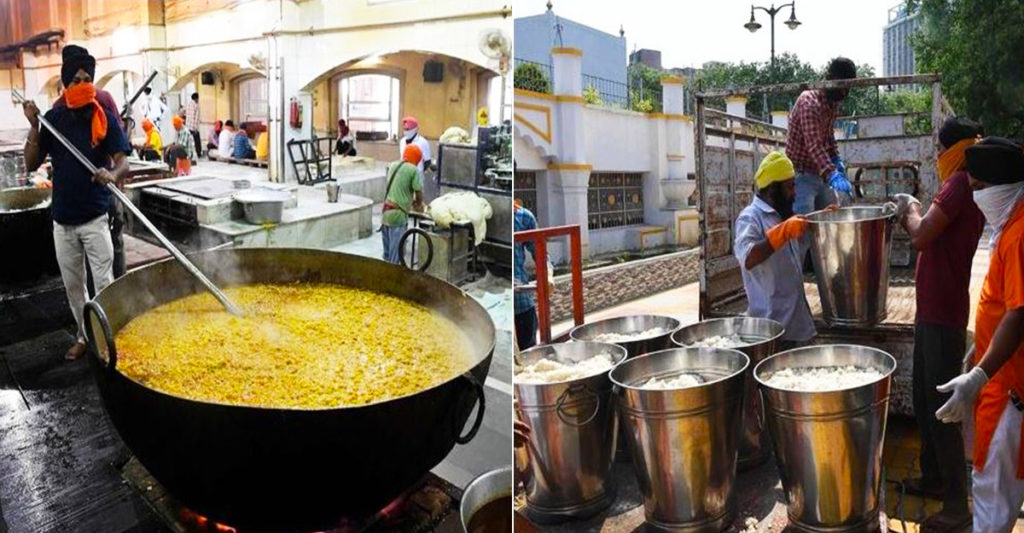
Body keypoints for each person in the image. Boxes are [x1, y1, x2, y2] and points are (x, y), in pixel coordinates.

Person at [892, 117, 985, 532]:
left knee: (943, 411)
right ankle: (932, 479)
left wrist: (908, 208)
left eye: (939, 148)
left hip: (943, 313)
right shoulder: (964, 183)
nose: (935, 156)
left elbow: (921, 235)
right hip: (934, 309)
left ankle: (956, 507)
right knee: (926, 400)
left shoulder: (960, 184)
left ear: (952, 149)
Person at [933, 137, 1024, 533]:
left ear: (1001, 188)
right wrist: (980, 349)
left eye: (977, 189)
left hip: (1007, 391)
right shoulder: (1011, 224)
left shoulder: (1019, 235)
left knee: (990, 490)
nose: (973, 197)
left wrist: (979, 375)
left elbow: (1020, 314)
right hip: (1004, 378)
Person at [20, 45, 131, 361]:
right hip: (63, 222)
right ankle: (85, 336)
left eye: (87, 79)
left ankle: (109, 338)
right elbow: (31, 164)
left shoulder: (104, 117)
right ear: (64, 85)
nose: (82, 85)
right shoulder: (53, 119)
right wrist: (33, 127)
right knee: (74, 287)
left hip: (95, 218)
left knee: (105, 282)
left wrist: (112, 172)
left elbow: (124, 161)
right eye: (75, 80)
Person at [734, 151, 830, 349]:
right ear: (772, 189)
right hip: (771, 332)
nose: (794, 192)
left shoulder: (782, 213)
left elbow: (803, 223)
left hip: (798, 326)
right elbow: (748, 257)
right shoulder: (750, 217)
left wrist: (825, 217)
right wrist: (782, 233)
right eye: (789, 187)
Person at [786, 57, 857, 214]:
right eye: (842, 86)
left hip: (820, 173)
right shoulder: (809, 103)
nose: (845, 92)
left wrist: (837, 161)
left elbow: (828, 137)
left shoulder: (832, 103)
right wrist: (832, 174)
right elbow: (814, 145)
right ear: (830, 78)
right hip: (801, 175)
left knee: (833, 218)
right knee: (803, 226)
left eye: (848, 88)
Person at [380, 144, 425, 264]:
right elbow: (418, 191)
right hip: (398, 216)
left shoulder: (393, 165)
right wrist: (419, 204)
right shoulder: (413, 170)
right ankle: (392, 281)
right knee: (396, 258)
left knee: (387, 256)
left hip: (386, 213)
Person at [513, 200, 539, 350]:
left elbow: (540, 254)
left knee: (528, 353)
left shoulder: (524, 218)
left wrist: (548, 274)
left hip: (522, 304)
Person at [185, 92, 201, 157]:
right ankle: (199, 153)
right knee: (197, 140)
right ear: (196, 98)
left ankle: (187, 153)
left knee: (187, 141)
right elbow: (196, 118)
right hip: (193, 126)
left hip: (187, 126)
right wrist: (195, 128)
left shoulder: (187, 104)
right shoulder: (196, 105)